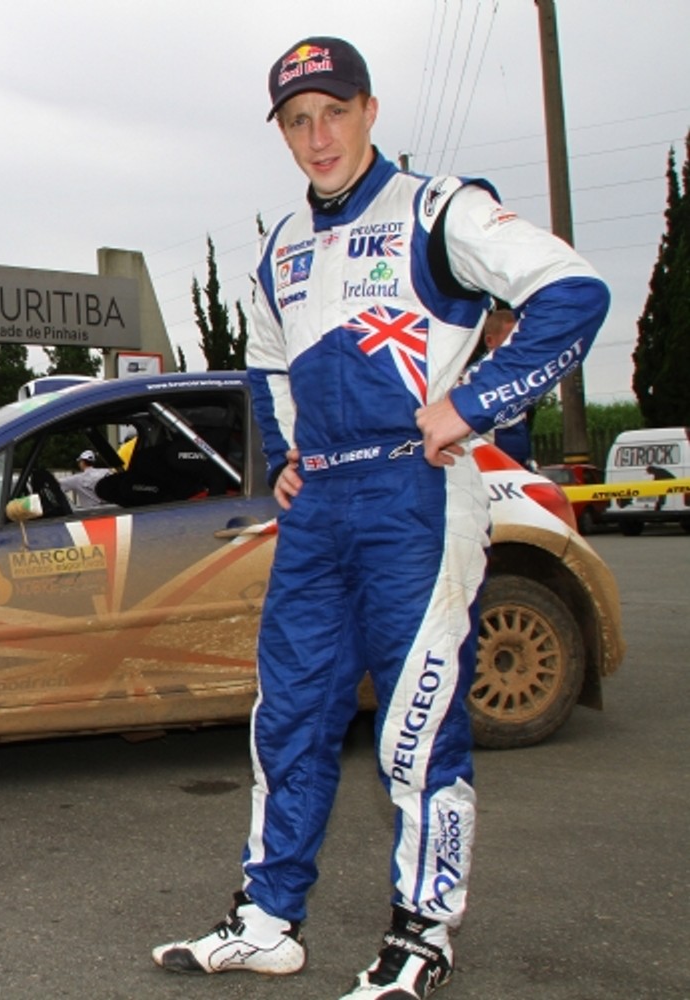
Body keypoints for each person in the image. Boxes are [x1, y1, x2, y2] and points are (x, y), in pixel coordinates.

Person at [149, 36, 608, 1000]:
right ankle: (270, 920)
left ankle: (422, 936)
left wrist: (474, 404)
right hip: (320, 509)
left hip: (418, 493)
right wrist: (283, 462)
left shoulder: (440, 209)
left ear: (369, 111)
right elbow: (268, 360)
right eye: (297, 120)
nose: (318, 137)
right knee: (290, 718)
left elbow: (574, 292)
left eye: (334, 112)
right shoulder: (280, 248)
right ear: (281, 130)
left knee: (416, 727)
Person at [479, 308, 534, 467]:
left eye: (520, 337)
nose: (517, 344)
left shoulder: (522, 377)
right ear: (490, 341)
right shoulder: (476, 378)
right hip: (492, 466)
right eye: (511, 338)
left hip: (519, 463)